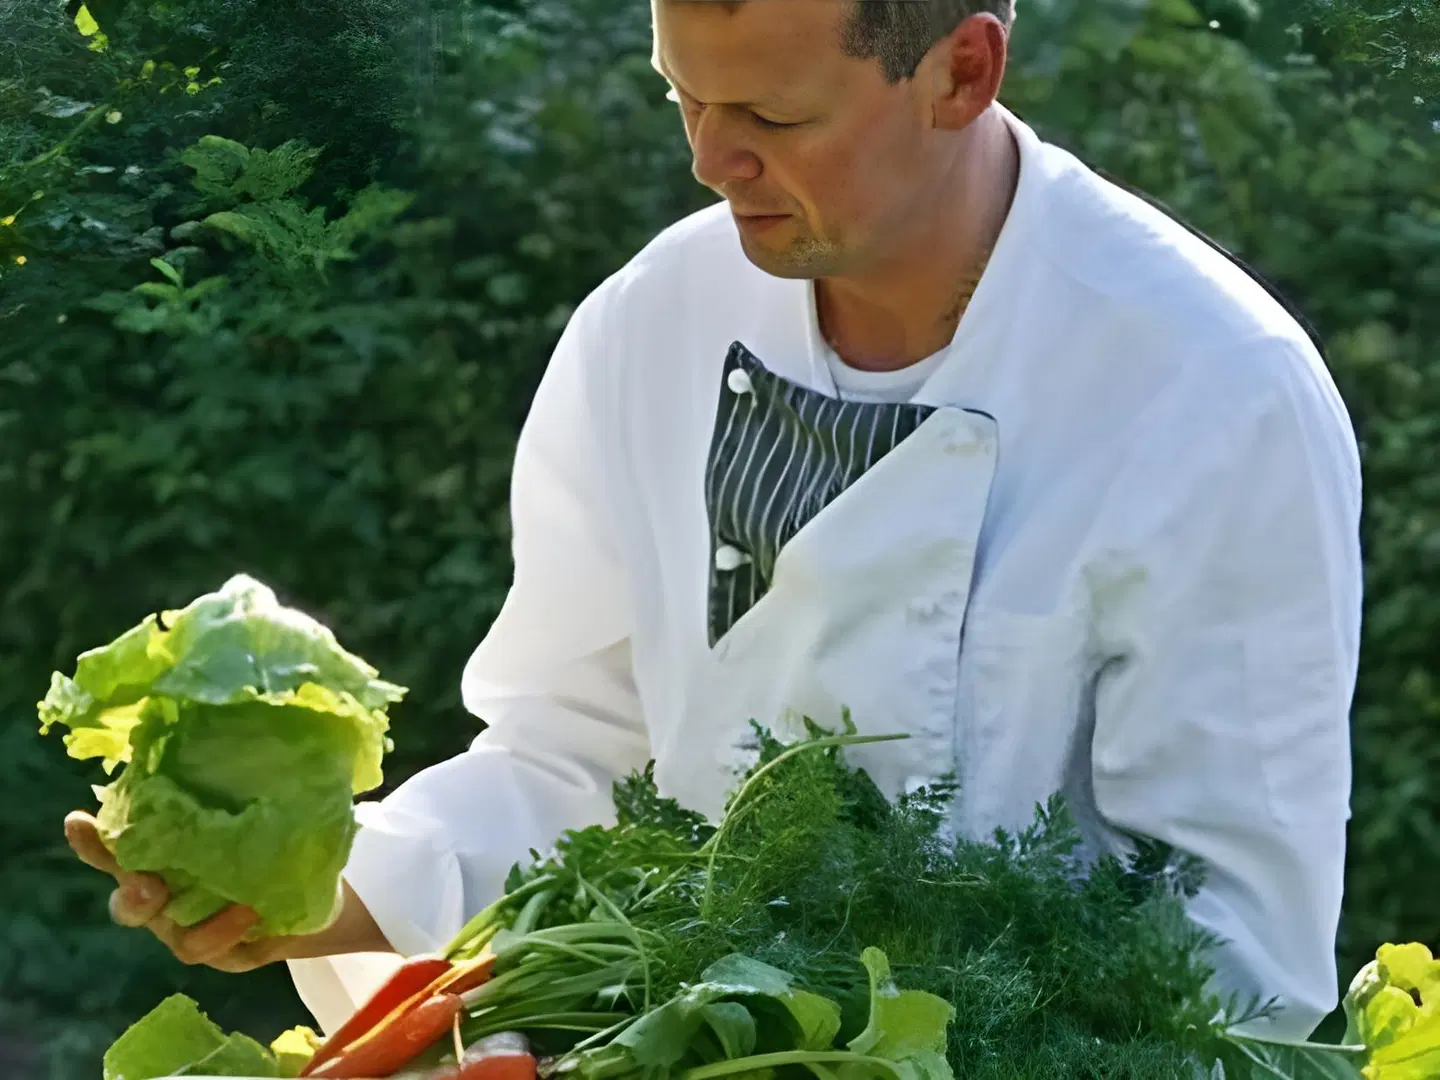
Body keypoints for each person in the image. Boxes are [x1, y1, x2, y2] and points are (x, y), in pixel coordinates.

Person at [66, 0, 1363, 1043]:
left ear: (962, 71)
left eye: (771, 113)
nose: (707, 157)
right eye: (682, 95)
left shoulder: (1211, 390)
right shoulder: (652, 322)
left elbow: (1234, 950)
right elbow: (574, 756)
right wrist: (328, 889)